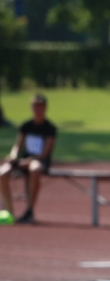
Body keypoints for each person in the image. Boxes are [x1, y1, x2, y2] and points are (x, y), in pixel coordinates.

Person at [1, 94, 57, 224]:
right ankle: (10, 211)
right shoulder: (26, 125)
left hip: (39, 161)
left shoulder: (50, 128)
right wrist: (13, 156)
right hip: (24, 160)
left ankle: (29, 210)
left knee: (34, 168)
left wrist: (28, 161)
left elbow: (44, 153)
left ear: (45, 108)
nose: (37, 110)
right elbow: (17, 146)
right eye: (35, 107)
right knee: (2, 172)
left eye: (40, 107)